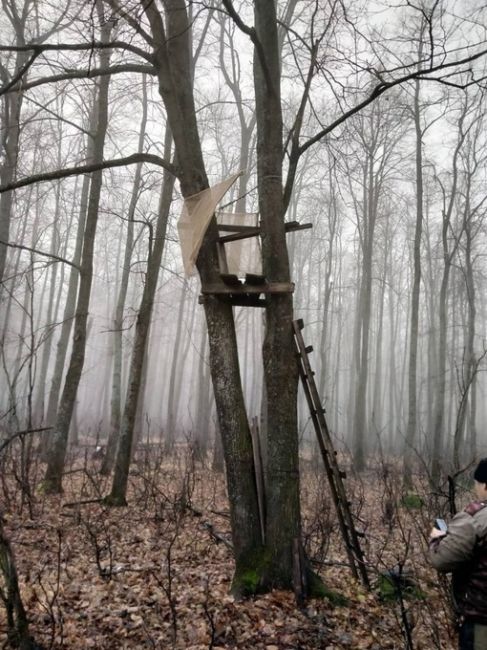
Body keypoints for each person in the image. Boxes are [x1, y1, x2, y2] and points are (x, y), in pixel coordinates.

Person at [429, 458, 487, 650]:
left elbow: (440, 559)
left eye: (477, 483)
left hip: (481, 625)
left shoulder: (476, 519)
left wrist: (439, 529)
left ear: (485, 486)